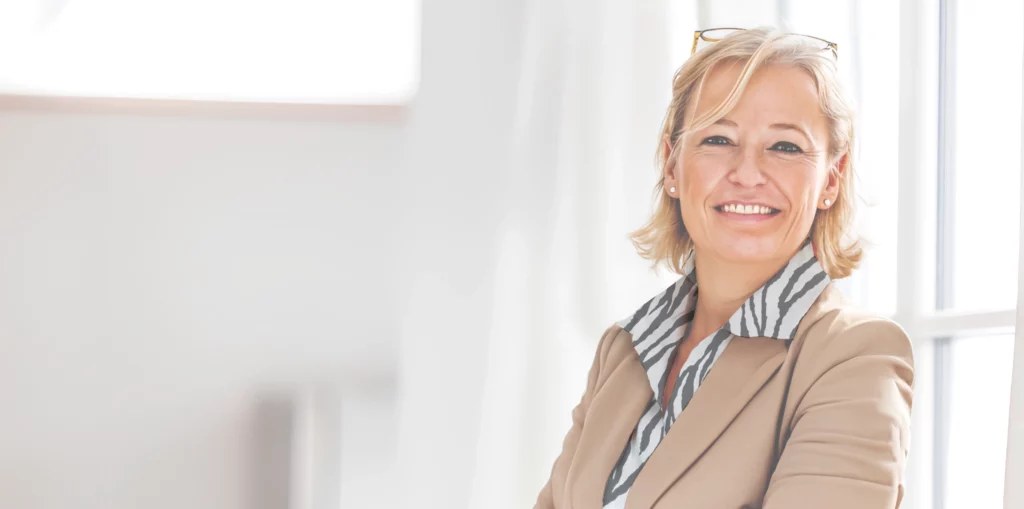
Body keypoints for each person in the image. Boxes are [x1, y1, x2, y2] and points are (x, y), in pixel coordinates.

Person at [534, 27, 914, 509]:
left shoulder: (855, 357)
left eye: (785, 147)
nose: (748, 173)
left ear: (830, 181)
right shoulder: (624, 349)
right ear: (672, 167)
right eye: (718, 138)